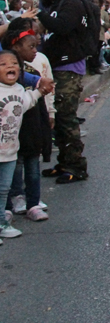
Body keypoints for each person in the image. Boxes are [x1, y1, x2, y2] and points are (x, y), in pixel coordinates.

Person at [35, 0, 91, 183]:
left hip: (68, 69)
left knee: (66, 118)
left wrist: (39, 14)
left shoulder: (71, 2)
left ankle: (76, 167)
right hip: (57, 67)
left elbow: (63, 27)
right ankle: (63, 162)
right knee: (57, 118)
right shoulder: (56, 4)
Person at [1, 18, 53, 222]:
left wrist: (49, 114)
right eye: (31, 46)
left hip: (31, 130)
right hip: (9, 138)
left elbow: (32, 98)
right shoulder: (10, 79)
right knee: (10, 173)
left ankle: (33, 202)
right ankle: (10, 204)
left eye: (14, 64)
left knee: (32, 168)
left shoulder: (31, 72)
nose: (35, 50)